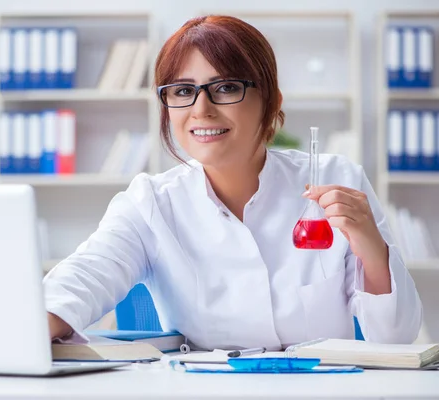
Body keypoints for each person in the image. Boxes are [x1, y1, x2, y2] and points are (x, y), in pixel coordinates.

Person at [43, 15, 422, 350]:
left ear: (271, 101)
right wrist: (33, 326)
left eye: (225, 87)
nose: (200, 109)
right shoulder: (150, 203)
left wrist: (371, 245)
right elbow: (84, 277)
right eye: (182, 90)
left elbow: (396, 337)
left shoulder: (336, 180)